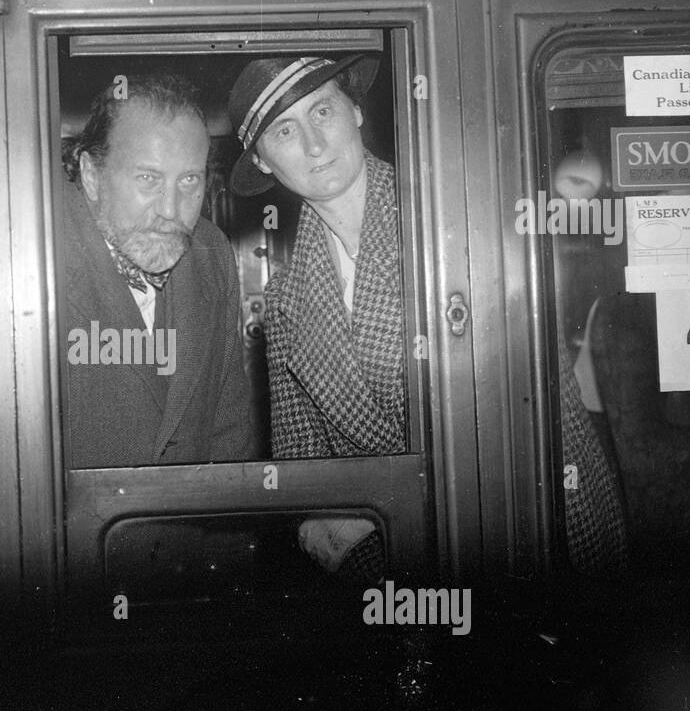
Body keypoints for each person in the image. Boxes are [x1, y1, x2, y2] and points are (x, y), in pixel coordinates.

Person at [229, 55, 625, 577]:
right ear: (261, 162)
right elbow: (309, 481)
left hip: (533, 540)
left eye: (322, 111)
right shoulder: (285, 300)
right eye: (284, 130)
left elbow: (520, 433)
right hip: (396, 572)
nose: (314, 145)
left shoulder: (459, 218)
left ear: (356, 110)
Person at [59, 73, 257, 468]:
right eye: (148, 179)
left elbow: (229, 434)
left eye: (188, 180)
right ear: (92, 176)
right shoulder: (32, 257)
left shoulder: (211, 251)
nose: (170, 209)